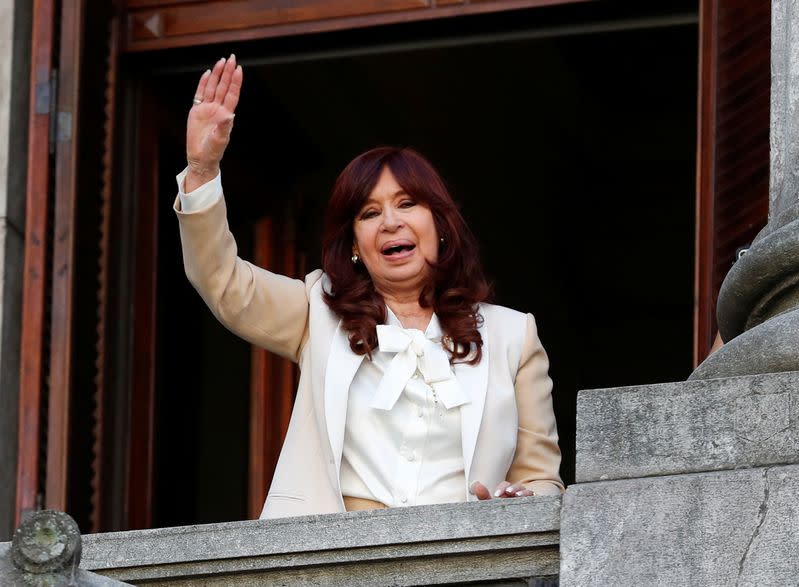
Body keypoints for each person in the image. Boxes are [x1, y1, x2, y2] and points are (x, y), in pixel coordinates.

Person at [175, 55, 564, 519]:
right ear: (355, 244)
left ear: (440, 226)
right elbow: (220, 278)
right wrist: (202, 168)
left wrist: (516, 504)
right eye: (369, 213)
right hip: (329, 558)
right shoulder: (316, 311)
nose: (391, 222)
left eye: (407, 203)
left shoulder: (513, 336)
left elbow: (541, 480)